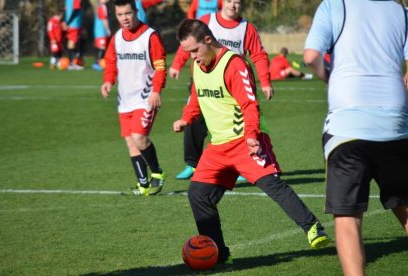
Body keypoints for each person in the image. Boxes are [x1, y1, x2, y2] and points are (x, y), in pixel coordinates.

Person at [173, 19, 331, 264]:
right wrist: (186, 118)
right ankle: (218, 253)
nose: (192, 57)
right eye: (188, 53)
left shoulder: (234, 64)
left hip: (245, 141)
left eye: (194, 50)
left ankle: (312, 227)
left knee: (272, 184)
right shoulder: (198, 66)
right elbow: (197, 96)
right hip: (218, 147)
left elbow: (249, 104)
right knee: (197, 194)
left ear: (207, 40)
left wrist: (251, 136)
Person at [303, 1, 408, 275]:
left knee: (348, 217)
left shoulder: (334, 5)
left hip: (347, 125)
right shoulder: (400, 11)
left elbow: (311, 57)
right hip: (394, 122)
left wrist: (331, 77)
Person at [170, 0, 273, 181]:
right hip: (204, 81)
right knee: (193, 121)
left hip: (232, 85)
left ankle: (244, 165)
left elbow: (258, 54)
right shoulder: (206, 21)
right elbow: (187, 45)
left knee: (237, 125)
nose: (233, 6)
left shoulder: (246, 28)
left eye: (237, 2)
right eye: (229, 1)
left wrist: (265, 81)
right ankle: (192, 164)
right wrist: (177, 65)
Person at [100, 0, 167, 196]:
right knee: (131, 142)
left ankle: (157, 172)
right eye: (120, 15)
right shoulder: (117, 37)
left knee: (139, 137)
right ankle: (143, 185)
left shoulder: (150, 36)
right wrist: (108, 81)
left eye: (128, 14)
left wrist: (156, 91)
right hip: (124, 99)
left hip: (145, 98)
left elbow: (160, 66)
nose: (124, 18)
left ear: (136, 11)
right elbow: (111, 63)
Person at [64, 0, 84, 70]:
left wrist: (65, 22)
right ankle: (71, 64)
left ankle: (71, 63)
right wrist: (68, 22)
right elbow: (76, 9)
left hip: (71, 24)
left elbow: (66, 11)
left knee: (72, 43)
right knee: (72, 43)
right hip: (74, 24)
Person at [92, 0, 111, 71]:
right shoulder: (103, 7)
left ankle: (98, 63)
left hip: (99, 30)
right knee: (102, 47)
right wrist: (108, 29)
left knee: (101, 47)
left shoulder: (100, 7)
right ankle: (97, 63)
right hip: (101, 30)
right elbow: (104, 19)